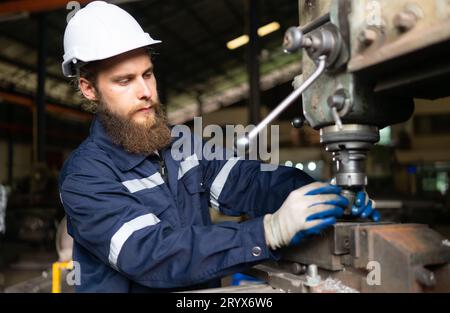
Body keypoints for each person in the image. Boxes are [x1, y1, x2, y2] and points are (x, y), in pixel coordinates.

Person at [59, 1, 379, 292]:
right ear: (89, 89)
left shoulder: (179, 144)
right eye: (124, 81)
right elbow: (150, 254)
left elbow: (246, 181)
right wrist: (268, 232)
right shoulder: (85, 177)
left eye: (148, 74)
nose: (145, 91)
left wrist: (318, 197)